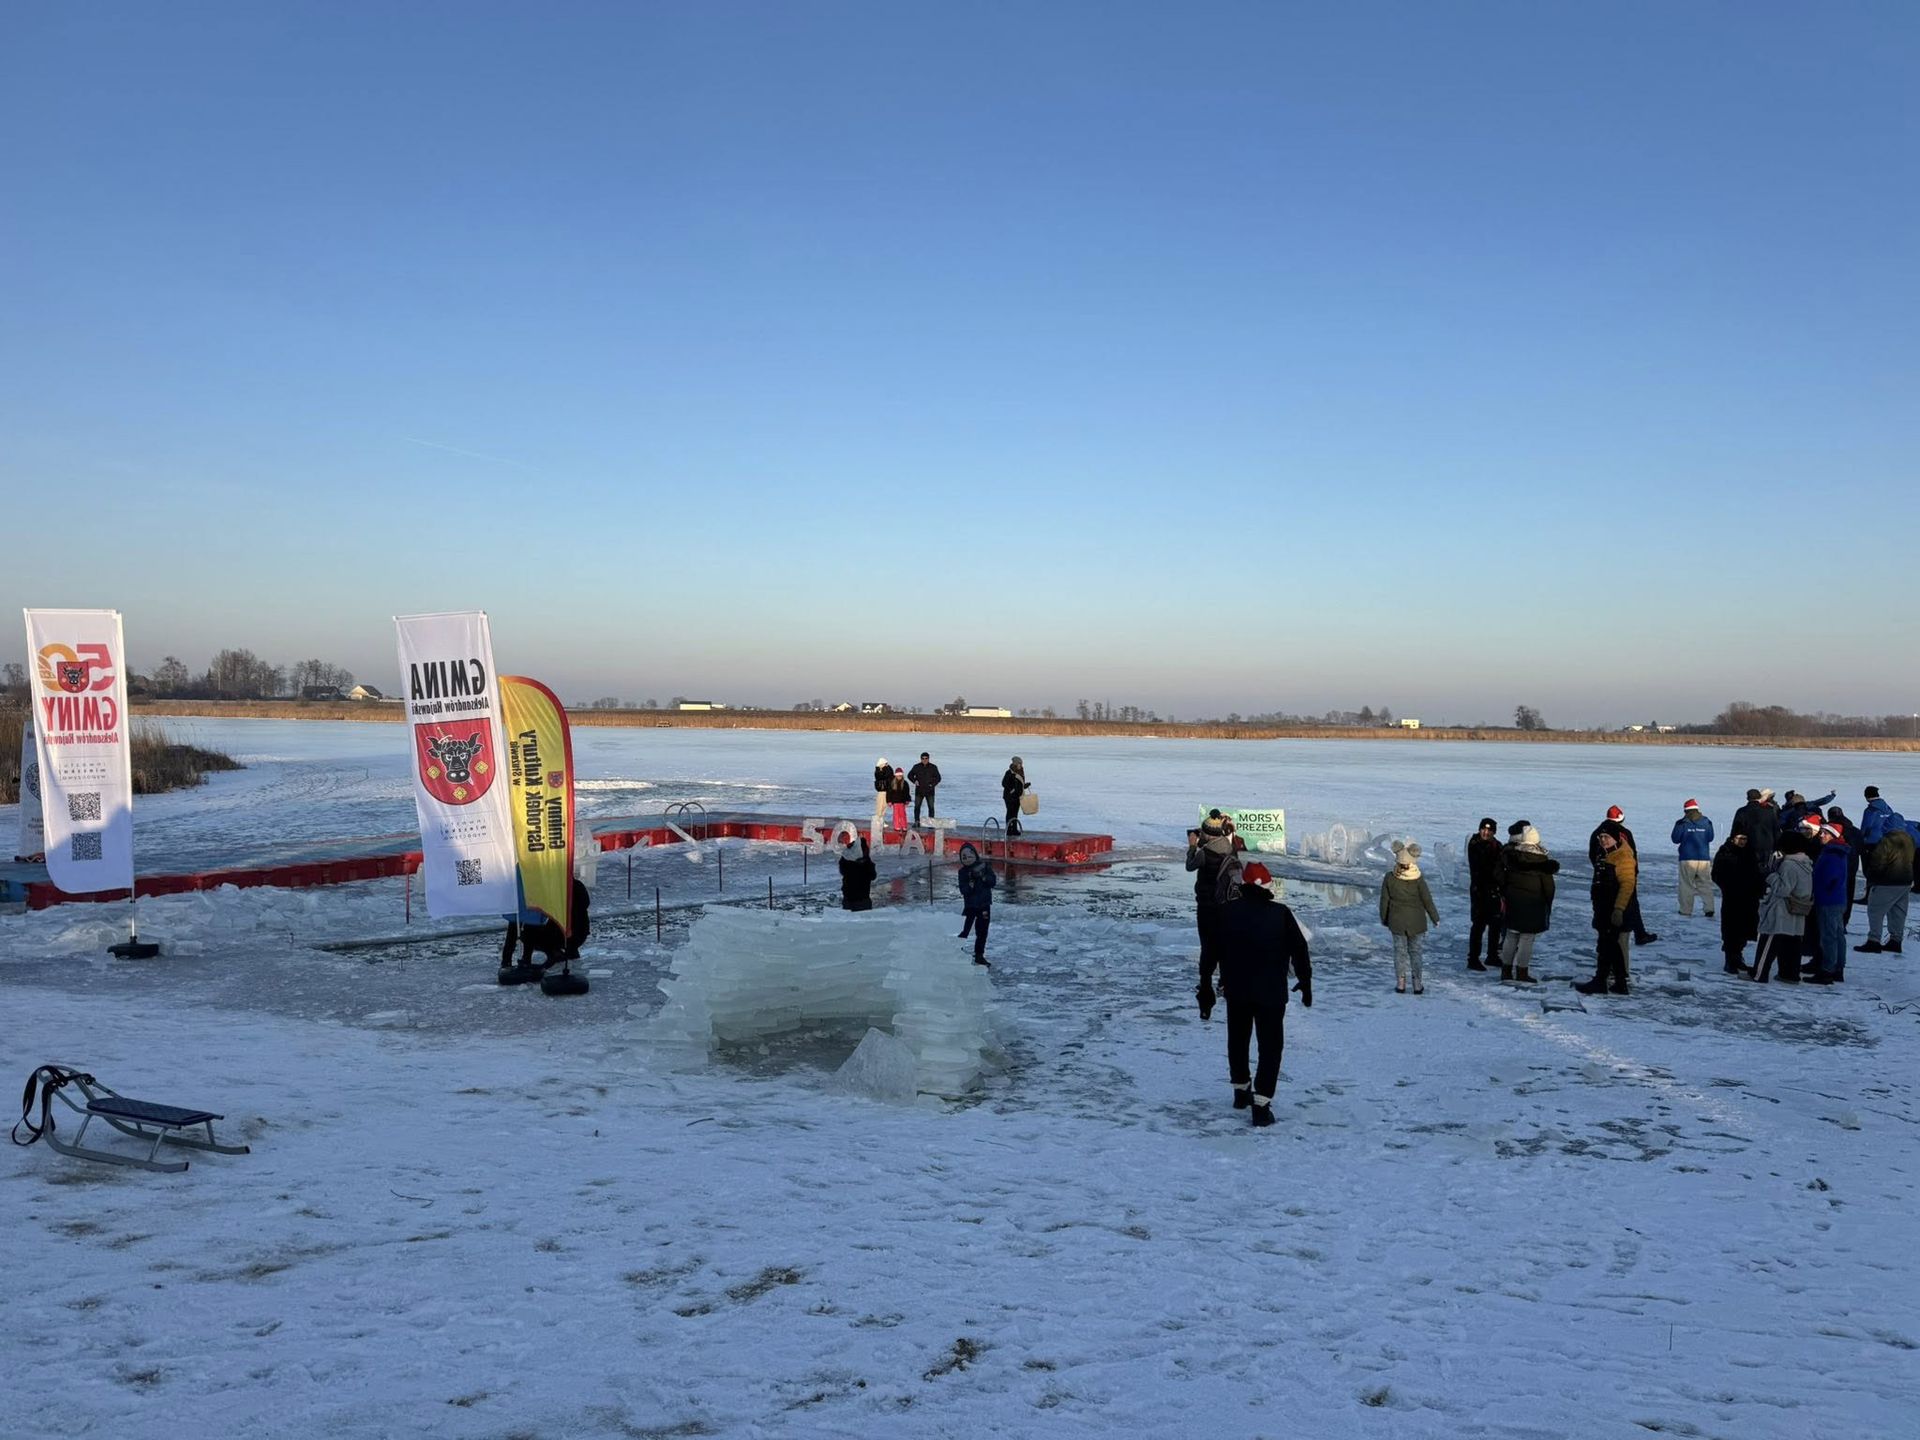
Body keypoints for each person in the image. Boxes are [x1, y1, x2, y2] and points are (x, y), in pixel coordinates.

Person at [1204, 862, 1312, 1129]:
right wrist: (1305, 981)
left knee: (1238, 1040)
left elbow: (1210, 951)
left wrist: (1205, 981)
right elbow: (1300, 950)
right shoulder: (1281, 913)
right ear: (1267, 885)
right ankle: (1261, 1104)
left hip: (1237, 990)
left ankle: (1241, 1091)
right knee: (1270, 1047)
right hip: (1271, 993)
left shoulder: (1226, 913)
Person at [1575, 830, 1636, 996]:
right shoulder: (1605, 854)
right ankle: (1620, 983)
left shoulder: (1622, 857)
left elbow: (1627, 885)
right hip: (1603, 908)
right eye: (1600, 837)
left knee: (1606, 945)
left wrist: (1618, 909)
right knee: (1611, 945)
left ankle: (1600, 981)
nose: (1603, 840)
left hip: (1614, 909)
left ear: (1616, 838)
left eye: (1606, 837)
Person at [1588, 807, 1657, 946]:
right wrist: (1633, 872)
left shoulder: (1597, 832)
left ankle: (1633, 935)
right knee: (1630, 904)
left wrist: (1599, 869)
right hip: (1622, 875)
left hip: (1602, 879)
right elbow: (1632, 853)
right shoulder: (1624, 833)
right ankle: (1639, 934)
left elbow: (1592, 854)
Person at [1498, 822, 1557, 983]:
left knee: (1510, 936)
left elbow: (1503, 880)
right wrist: (1547, 904)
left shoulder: (1513, 857)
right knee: (1526, 939)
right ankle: (1522, 972)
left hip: (1513, 902)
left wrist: (1506, 895)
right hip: (1533, 905)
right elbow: (1549, 887)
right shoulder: (1542, 861)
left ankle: (1506, 970)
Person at [1186, 812, 1242, 981]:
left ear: (1207, 834)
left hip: (1207, 904)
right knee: (1224, 942)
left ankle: (1205, 982)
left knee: (1208, 945)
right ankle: (1225, 982)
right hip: (1227, 903)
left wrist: (1192, 846)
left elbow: (1190, 866)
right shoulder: (1230, 847)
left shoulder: (1205, 853)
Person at [1857, 795, 1914, 955]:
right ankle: (1896, 940)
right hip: (1905, 882)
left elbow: (1878, 861)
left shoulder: (1887, 840)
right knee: (1898, 912)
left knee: (1875, 910)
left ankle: (1873, 940)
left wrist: (1872, 877)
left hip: (1887, 882)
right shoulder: (1909, 838)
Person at [1753, 834, 1814, 983]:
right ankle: (1789, 975)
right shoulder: (1806, 864)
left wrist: (1770, 875)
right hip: (1798, 909)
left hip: (1781, 910)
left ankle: (1758, 974)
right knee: (1792, 944)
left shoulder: (1789, 864)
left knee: (1769, 940)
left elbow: (1783, 889)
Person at [1379, 841, 1439, 995]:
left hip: (1397, 921)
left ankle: (1401, 983)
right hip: (1417, 922)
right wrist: (1435, 917)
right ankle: (1417, 984)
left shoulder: (1390, 878)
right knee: (1416, 952)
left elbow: (1384, 900)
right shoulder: (1418, 879)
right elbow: (1427, 900)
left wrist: (1384, 918)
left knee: (1400, 952)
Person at [1710, 823, 1764, 975]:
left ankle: (1738, 957)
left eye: (1745, 839)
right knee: (1731, 929)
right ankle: (1730, 960)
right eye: (1740, 838)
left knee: (1744, 929)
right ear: (1733, 838)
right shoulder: (1725, 852)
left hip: (1749, 898)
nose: (1743, 842)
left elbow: (1757, 874)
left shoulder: (1750, 852)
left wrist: (1759, 889)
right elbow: (1716, 874)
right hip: (1732, 898)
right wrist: (1728, 886)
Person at [1804, 823, 1852, 984]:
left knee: (1829, 936)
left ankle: (1827, 971)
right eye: (1821, 832)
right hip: (1835, 899)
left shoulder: (1832, 853)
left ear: (1833, 836)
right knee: (1837, 935)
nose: (1821, 835)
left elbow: (1831, 877)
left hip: (1828, 899)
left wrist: (1820, 888)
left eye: (1825, 833)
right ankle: (1837, 968)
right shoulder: (1836, 851)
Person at [1465, 817, 1506, 972]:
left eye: (1489, 830)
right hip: (1479, 891)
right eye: (1483, 829)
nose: (1485, 832)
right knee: (1478, 926)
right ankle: (1473, 959)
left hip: (1494, 891)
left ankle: (1492, 955)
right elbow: (1482, 866)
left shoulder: (1497, 845)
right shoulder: (1475, 844)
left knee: (1495, 924)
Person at [1671, 800, 1716, 917]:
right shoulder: (1707, 822)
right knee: (1705, 884)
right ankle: (1709, 908)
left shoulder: (1682, 823)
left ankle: (1685, 910)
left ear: (1686, 810)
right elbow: (1710, 837)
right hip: (1703, 858)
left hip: (1687, 858)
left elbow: (1675, 839)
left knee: (1686, 885)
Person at [956, 841, 996, 965]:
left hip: (984, 905)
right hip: (970, 906)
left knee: (982, 931)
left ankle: (979, 955)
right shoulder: (963, 872)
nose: (967, 859)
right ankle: (956, 951)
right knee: (964, 930)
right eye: (964, 857)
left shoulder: (984, 867)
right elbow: (963, 890)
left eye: (969, 856)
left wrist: (983, 878)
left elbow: (993, 882)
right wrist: (970, 885)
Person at [1827, 805, 1864, 926]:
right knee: (1848, 896)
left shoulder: (1831, 830)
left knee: (1832, 896)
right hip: (1852, 868)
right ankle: (1844, 922)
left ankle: (1834, 922)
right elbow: (1861, 849)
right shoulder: (1856, 831)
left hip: (1835, 868)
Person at [1733, 788, 1779, 868]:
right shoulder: (1769, 811)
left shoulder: (1741, 811)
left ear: (1748, 798)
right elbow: (1776, 830)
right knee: (1766, 870)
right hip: (1767, 846)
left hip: (1748, 846)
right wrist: (1778, 846)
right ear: (1759, 798)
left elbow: (1736, 830)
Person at [839, 835, 876, 911]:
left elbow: (842, 870)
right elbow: (873, 876)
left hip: (849, 897)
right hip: (862, 898)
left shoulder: (847, 860)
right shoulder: (866, 863)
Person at [907, 752, 941, 824]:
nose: (924, 760)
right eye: (923, 758)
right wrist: (914, 781)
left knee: (931, 807)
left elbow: (938, 778)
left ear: (928, 759)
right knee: (917, 807)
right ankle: (917, 822)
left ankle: (931, 822)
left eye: (926, 758)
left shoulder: (933, 767)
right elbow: (909, 775)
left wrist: (932, 784)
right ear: (921, 759)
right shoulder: (916, 767)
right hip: (919, 791)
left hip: (930, 791)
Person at [1001, 757, 1030, 836]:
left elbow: (1020, 784)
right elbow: (1004, 784)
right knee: (1010, 813)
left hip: (1018, 797)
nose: (1021, 765)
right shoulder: (1009, 773)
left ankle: (1014, 830)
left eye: (1021, 763)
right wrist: (1012, 789)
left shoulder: (1021, 772)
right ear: (1015, 764)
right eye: (1019, 763)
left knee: (1015, 814)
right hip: (1009, 797)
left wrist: (1025, 786)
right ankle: (1008, 830)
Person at [886, 765, 911, 832]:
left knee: (903, 814)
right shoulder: (892, 783)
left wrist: (907, 800)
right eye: (898, 775)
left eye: (900, 775)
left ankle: (904, 826)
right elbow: (889, 793)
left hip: (902, 802)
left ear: (902, 775)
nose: (899, 776)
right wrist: (889, 801)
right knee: (896, 815)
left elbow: (907, 793)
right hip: (895, 802)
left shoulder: (905, 783)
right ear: (895, 775)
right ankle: (897, 826)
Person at [872, 758, 894, 823]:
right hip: (881, 791)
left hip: (887, 790)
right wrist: (883, 768)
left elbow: (890, 776)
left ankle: (881, 819)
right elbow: (880, 776)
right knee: (880, 806)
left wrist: (886, 767)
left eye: (887, 764)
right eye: (885, 764)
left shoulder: (888, 770)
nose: (886, 765)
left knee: (884, 806)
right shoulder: (878, 771)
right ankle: (878, 819)